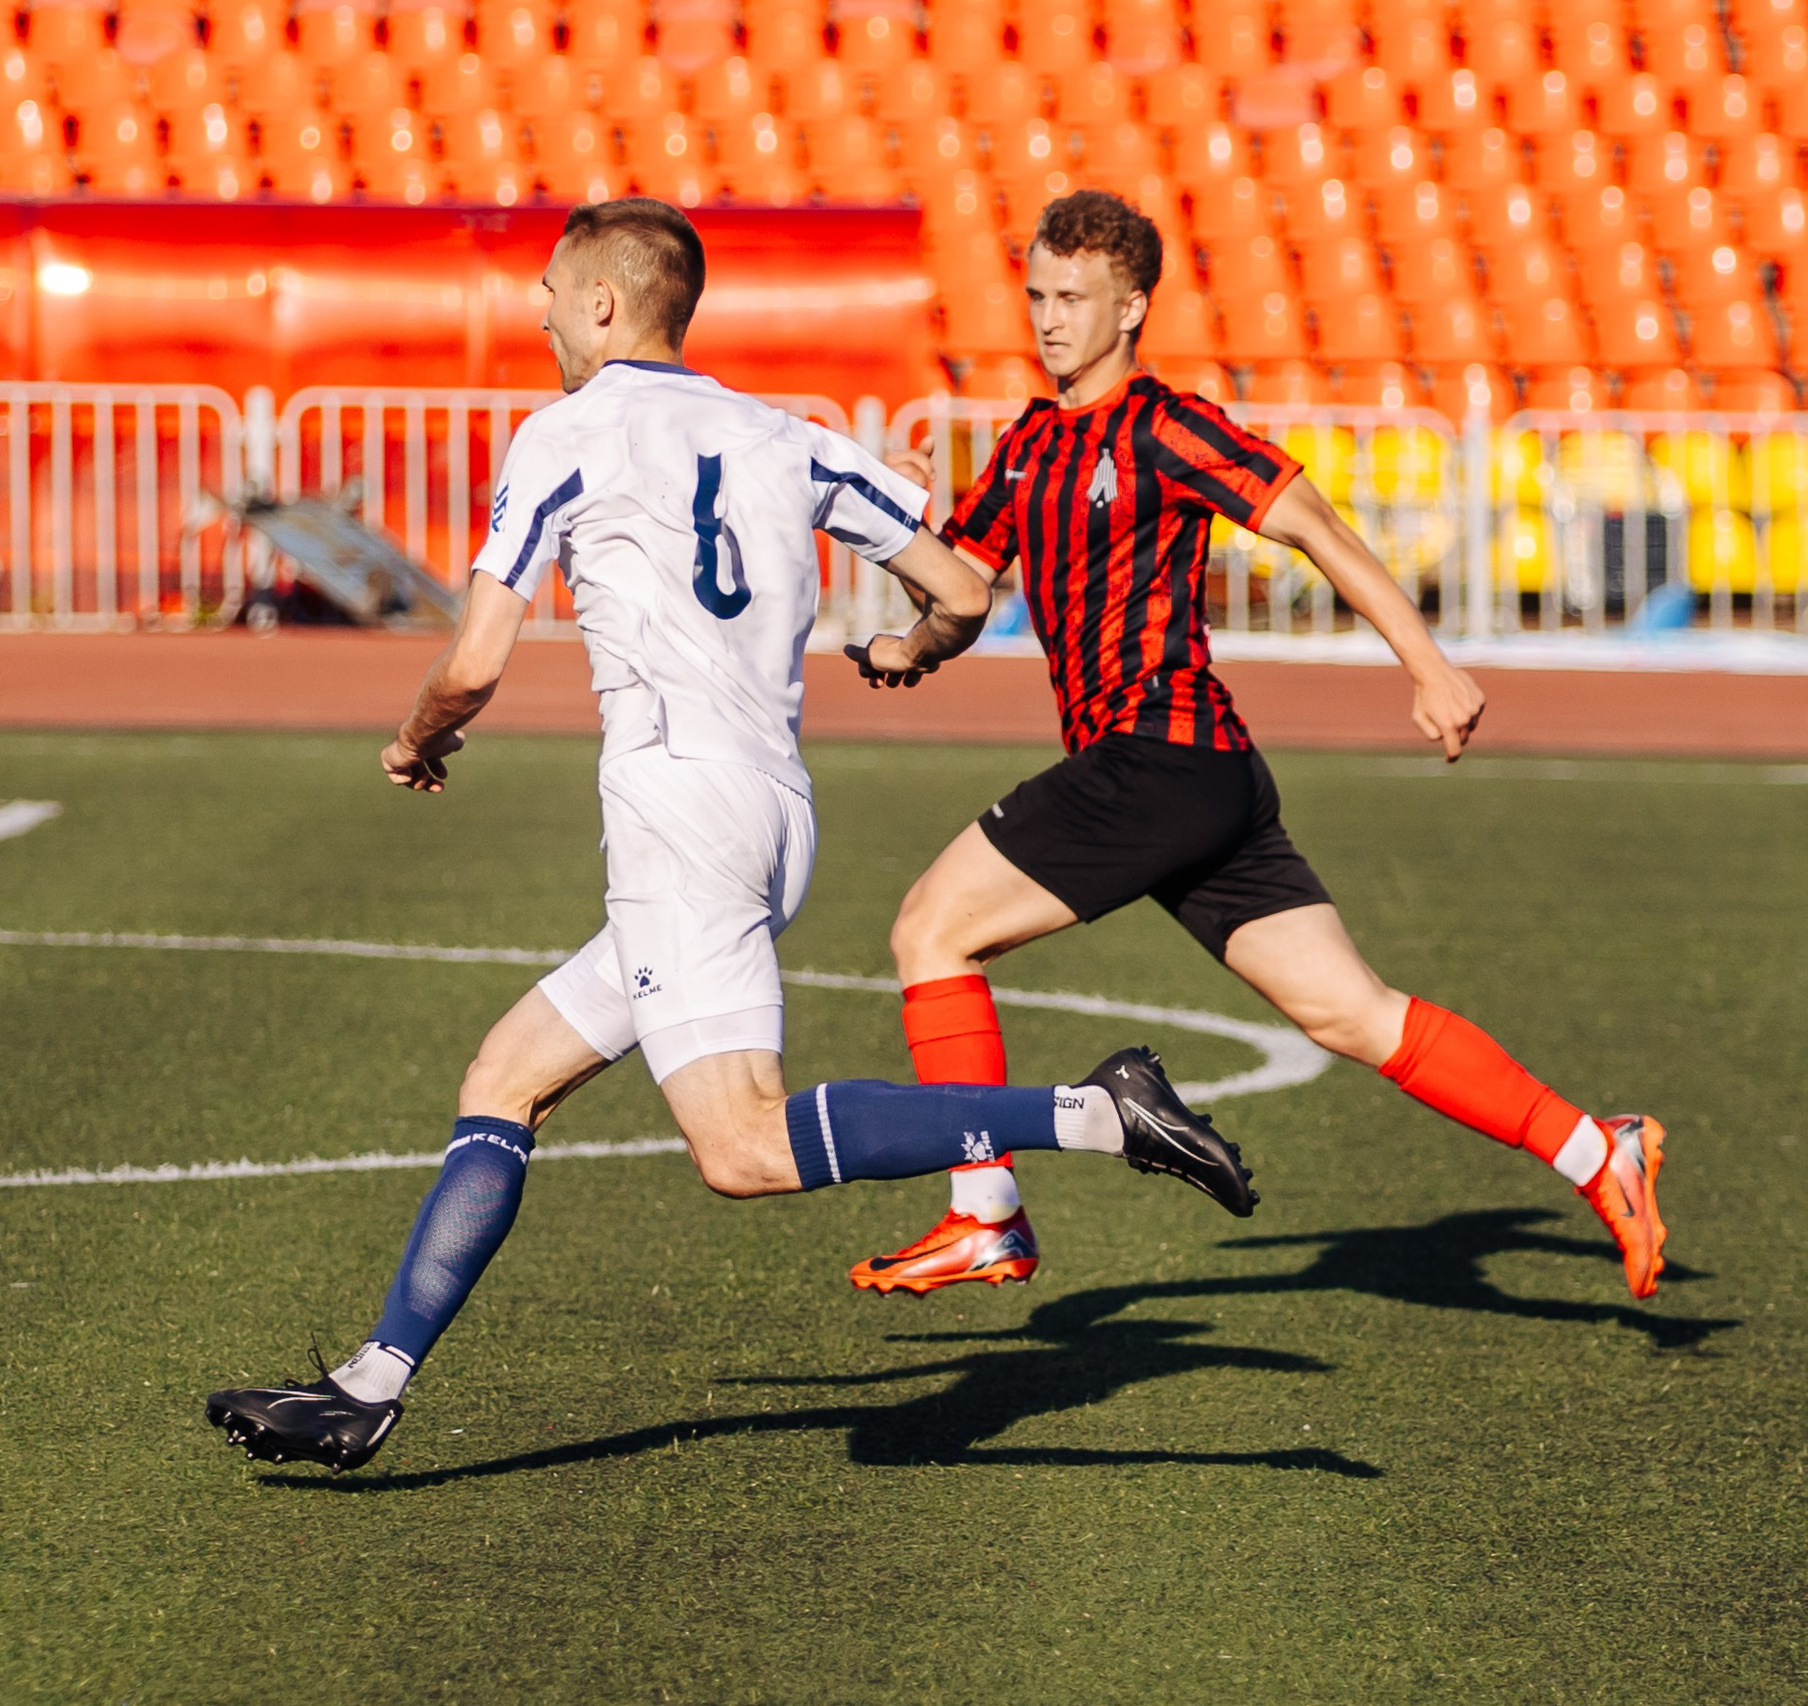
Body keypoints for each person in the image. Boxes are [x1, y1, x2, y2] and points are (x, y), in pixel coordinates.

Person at [205, 197, 1259, 1474]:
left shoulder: (565, 432)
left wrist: (417, 735)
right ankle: (369, 1384)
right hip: (773, 812)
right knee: (504, 1077)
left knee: (744, 1148)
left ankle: (1093, 1112)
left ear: (602, 303)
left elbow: (474, 661)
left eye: (550, 289)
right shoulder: (784, 435)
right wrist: (910, 645)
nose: (538, 310)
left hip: (679, 815)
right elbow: (962, 586)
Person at [845, 189, 1667, 1304]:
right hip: (1197, 778)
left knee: (930, 931)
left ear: (1132, 306)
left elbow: (1315, 524)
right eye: (1036, 295)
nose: (1047, 318)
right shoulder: (1028, 446)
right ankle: (1596, 1149)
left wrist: (1427, 664)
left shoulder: (1169, 426)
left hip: (1158, 753)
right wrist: (905, 601)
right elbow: (960, 593)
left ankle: (984, 1214)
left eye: (1073, 298)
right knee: (1352, 1013)